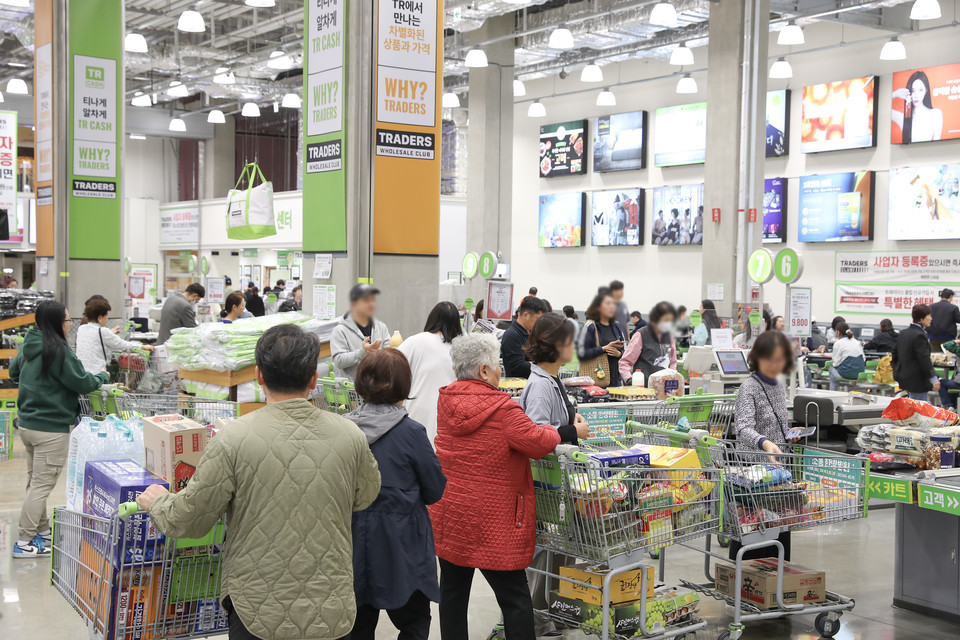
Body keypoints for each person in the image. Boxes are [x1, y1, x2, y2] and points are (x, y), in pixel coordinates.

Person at [136, 323, 382, 640]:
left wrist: (157, 501)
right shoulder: (350, 435)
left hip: (257, 605)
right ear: (313, 379)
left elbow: (192, 519)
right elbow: (367, 494)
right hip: (330, 604)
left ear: (259, 376)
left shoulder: (233, 438)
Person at [430, 333, 564, 640]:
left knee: (452, 593)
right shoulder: (502, 409)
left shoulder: (446, 400)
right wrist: (566, 431)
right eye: (497, 365)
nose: (501, 371)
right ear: (483, 371)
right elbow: (537, 442)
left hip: (451, 512)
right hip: (494, 519)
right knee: (515, 599)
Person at [344, 349, 446, 640]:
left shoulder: (344, 430)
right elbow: (435, 489)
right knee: (413, 622)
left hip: (352, 543)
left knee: (356, 625)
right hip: (403, 547)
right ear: (404, 385)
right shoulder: (412, 433)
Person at [12, 301, 110, 558]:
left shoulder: (29, 344)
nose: (70, 324)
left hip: (27, 425)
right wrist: (102, 376)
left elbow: (13, 372)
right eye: (68, 320)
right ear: (57, 323)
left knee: (35, 482)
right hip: (51, 428)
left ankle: (41, 531)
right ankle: (23, 541)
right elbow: (82, 382)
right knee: (42, 485)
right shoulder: (59, 352)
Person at [732, 330, 798, 561]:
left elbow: (778, 422)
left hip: (779, 473)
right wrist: (765, 442)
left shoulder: (779, 385)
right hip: (754, 475)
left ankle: (776, 586)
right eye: (770, 359)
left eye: (780, 359)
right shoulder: (749, 387)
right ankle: (745, 582)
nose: (775, 364)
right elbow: (743, 428)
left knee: (779, 530)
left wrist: (790, 436)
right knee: (754, 531)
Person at [519, 314, 591, 443]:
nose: (574, 346)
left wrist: (571, 417)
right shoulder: (540, 385)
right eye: (570, 341)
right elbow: (537, 434)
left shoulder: (552, 377)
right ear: (557, 345)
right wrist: (574, 431)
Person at [398, 301, 462, 443]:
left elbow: (390, 363)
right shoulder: (460, 348)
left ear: (432, 319)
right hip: (450, 416)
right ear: (457, 323)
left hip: (416, 411)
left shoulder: (414, 341)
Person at [76, 298, 155, 374]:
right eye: (106, 315)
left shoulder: (81, 329)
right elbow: (121, 344)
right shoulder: (103, 331)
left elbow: (95, 337)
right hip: (97, 373)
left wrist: (110, 332)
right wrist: (142, 347)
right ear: (100, 318)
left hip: (81, 372)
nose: (107, 318)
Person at [331, 284, 391, 381]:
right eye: (366, 300)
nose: (371, 304)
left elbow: (389, 350)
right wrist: (362, 353)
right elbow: (339, 361)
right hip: (352, 390)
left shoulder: (381, 326)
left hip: (378, 385)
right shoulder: (340, 331)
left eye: (373, 300)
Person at [619, 301, 678, 385]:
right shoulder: (641, 335)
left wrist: (673, 375)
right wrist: (629, 379)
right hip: (644, 387)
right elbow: (624, 362)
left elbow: (673, 361)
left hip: (664, 387)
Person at [893, 303, 941, 401]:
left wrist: (897, 371)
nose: (931, 318)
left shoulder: (903, 333)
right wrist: (933, 378)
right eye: (929, 315)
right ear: (922, 318)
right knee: (919, 409)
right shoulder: (919, 335)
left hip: (905, 378)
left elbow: (894, 355)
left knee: (913, 406)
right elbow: (924, 360)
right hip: (917, 381)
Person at [579, 291, 627, 387]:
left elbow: (626, 351)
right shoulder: (590, 326)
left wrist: (619, 354)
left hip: (615, 378)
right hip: (595, 379)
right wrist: (603, 349)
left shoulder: (617, 325)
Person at [500, 296, 547, 379]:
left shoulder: (531, 333)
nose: (540, 323)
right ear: (526, 315)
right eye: (538, 319)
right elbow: (517, 366)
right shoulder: (512, 335)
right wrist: (540, 365)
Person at [892, 70, 943, 143]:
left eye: (920, 90)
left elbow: (937, 143)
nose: (916, 95)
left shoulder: (936, 114)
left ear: (926, 90)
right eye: (913, 91)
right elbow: (878, 111)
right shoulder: (903, 118)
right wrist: (896, 93)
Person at [829, 322, 866, 390]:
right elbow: (863, 359)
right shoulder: (857, 342)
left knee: (831, 368)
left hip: (845, 374)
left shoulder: (838, 343)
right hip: (860, 373)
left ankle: (833, 393)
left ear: (838, 332)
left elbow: (836, 362)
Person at [938, 339, 960, 410]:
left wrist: (957, 341)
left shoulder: (958, 350)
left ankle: (949, 406)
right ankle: (954, 406)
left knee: (941, 383)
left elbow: (946, 345)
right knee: (953, 383)